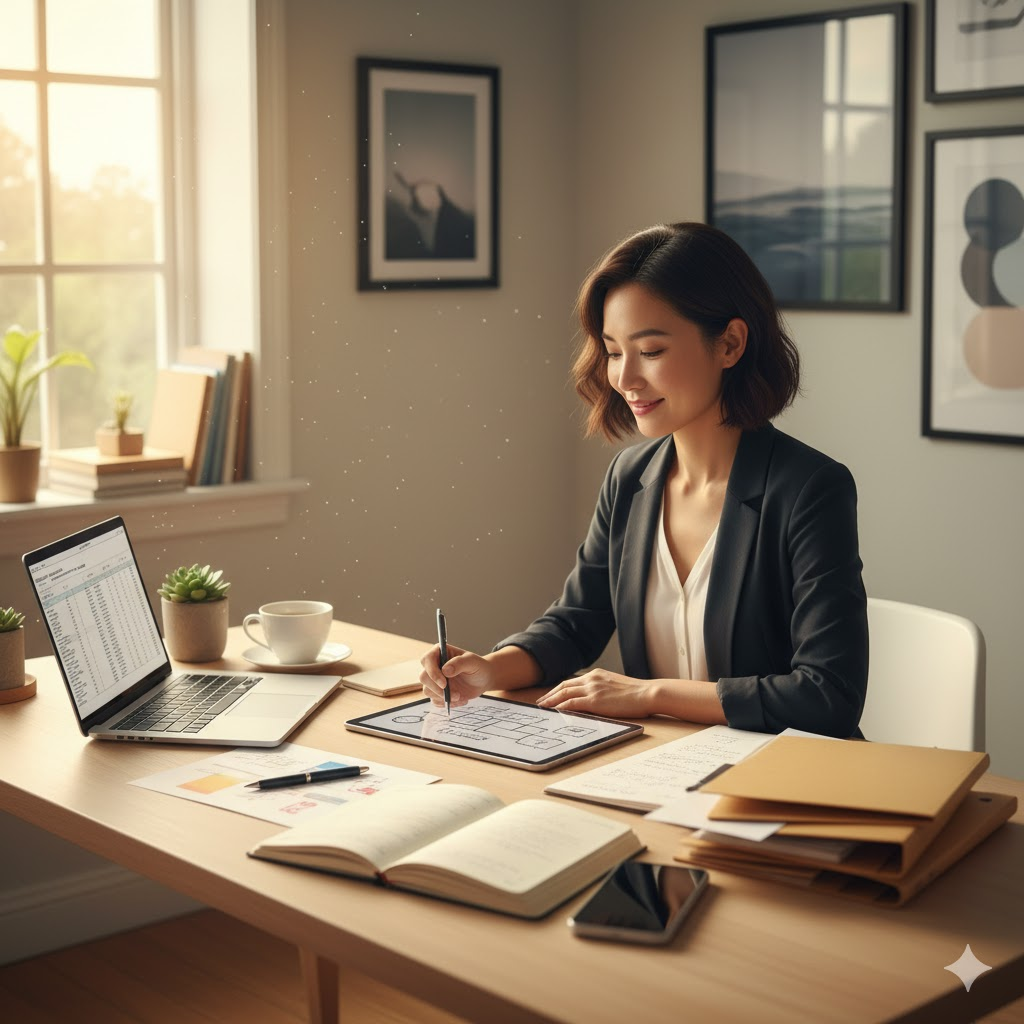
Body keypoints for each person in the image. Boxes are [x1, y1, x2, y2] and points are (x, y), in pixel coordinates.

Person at [420, 222, 868, 737]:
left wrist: (648, 693)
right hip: (658, 764)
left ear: (730, 344)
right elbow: (575, 623)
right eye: (613, 351)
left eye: (650, 351)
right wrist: (490, 669)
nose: (624, 378)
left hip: (779, 777)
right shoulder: (629, 478)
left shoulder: (810, 489)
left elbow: (828, 694)